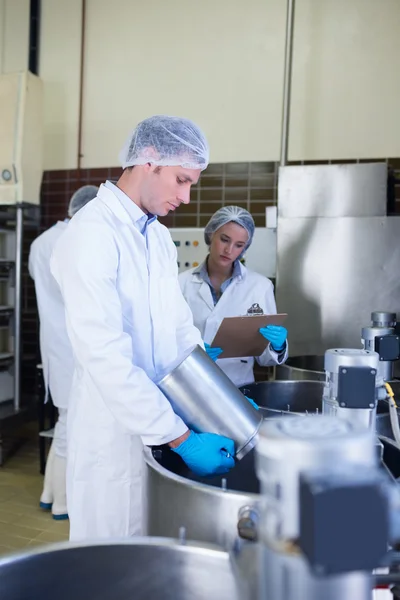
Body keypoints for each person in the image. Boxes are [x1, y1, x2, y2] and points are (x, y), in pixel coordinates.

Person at [50, 115, 235, 542]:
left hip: (162, 427)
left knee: (149, 560)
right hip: (111, 437)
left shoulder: (155, 237)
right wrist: (181, 438)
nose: (187, 197)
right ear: (148, 160)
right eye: (181, 180)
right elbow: (105, 356)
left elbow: (178, 328)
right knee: (111, 566)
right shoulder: (92, 234)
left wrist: (216, 400)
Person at [29, 184, 99, 520]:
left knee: (65, 421)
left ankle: (49, 493)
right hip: (75, 349)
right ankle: (63, 503)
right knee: (72, 425)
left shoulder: (41, 242)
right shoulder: (77, 241)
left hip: (55, 348)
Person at [179, 206, 288, 387]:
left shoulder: (260, 287)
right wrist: (191, 351)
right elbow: (165, 340)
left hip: (238, 387)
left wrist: (277, 346)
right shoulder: (180, 283)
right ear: (211, 234)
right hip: (191, 385)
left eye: (239, 245)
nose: (229, 250)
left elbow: (264, 359)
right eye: (224, 239)